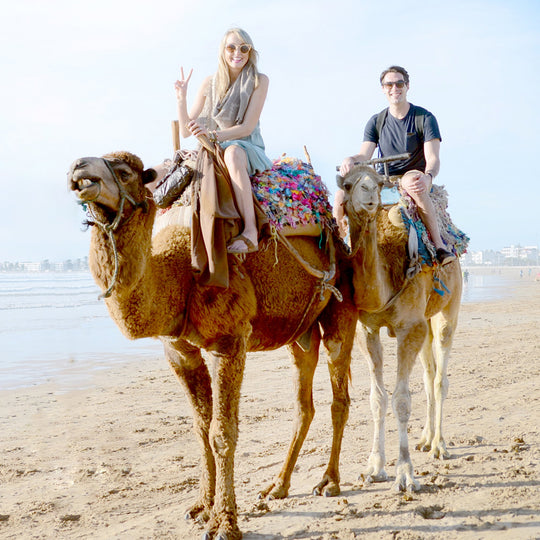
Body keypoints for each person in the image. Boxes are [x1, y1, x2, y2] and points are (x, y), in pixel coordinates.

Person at [335, 65, 455, 266]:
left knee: (411, 183)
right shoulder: (376, 121)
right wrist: (350, 160)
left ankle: (439, 245)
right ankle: (340, 245)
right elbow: (364, 154)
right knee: (340, 195)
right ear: (383, 88)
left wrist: (428, 176)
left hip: (412, 174)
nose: (394, 88)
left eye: (399, 83)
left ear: (407, 86)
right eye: (389, 84)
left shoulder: (424, 118)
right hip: (383, 179)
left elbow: (433, 158)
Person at [174, 27, 272, 254]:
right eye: (231, 47)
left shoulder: (259, 80)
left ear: (250, 52)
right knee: (165, 171)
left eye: (243, 48)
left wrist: (211, 136)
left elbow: (246, 127)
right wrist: (181, 99)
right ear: (223, 51)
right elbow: (187, 131)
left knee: (233, 153)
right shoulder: (210, 83)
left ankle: (250, 230)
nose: (237, 53)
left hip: (246, 145)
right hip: (213, 145)